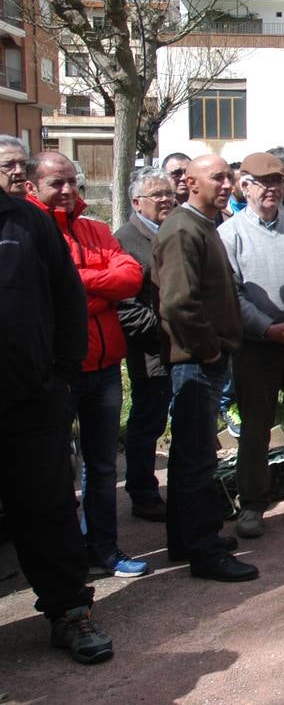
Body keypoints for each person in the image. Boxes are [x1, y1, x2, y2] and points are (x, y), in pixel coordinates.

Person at [0, 155, 113, 664]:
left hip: (32, 401)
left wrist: (61, 378)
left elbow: (69, 300)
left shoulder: (27, 221)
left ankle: (70, 611)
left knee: (47, 511)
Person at [26, 151, 148, 579]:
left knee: (101, 466)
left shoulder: (95, 228)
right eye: (55, 183)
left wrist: (75, 283)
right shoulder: (28, 232)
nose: (66, 191)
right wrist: (98, 291)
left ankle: (105, 549)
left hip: (104, 368)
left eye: (71, 182)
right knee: (57, 469)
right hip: (58, 372)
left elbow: (130, 277)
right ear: (32, 186)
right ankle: (65, 560)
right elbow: (39, 296)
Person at [153, 154, 260, 582]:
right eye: (216, 177)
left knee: (189, 455)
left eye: (228, 177)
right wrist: (210, 350)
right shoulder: (183, 228)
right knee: (197, 459)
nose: (226, 183)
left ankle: (185, 540)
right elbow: (178, 302)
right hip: (196, 363)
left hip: (202, 361)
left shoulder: (202, 225)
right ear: (191, 183)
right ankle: (205, 550)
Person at [216, 152, 284, 539]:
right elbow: (233, 295)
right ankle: (253, 504)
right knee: (257, 428)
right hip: (256, 346)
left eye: (277, 182)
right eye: (263, 183)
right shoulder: (229, 235)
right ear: (245, 186)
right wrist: (268, 329)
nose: (272, 190)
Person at [114, 168, 176, 522]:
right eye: (158, 195)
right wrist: (168, 331)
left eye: (169, 193)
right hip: (152, 351)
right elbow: (128, 310)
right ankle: (142, 493)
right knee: (147, 423)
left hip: (183, 348)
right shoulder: (125, 239)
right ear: (137, 203)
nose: (166, 199)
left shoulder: (174, 230)